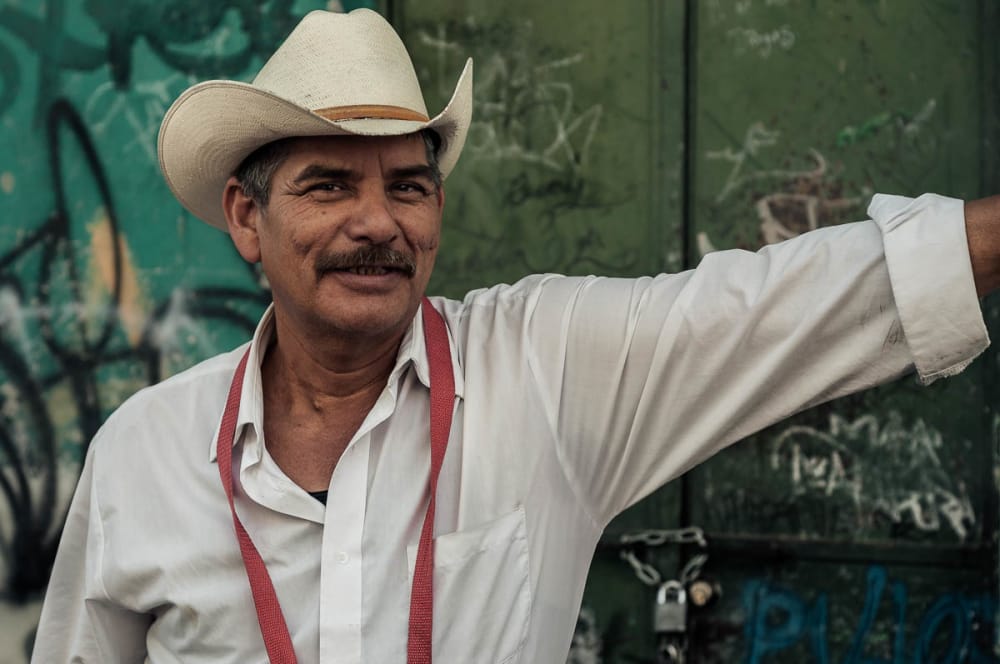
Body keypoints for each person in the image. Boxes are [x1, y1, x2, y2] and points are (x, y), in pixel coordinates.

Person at [31, 8, 1000, 664]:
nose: (378, 222)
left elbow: (785, 303)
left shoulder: (540, 369)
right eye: (330, 184)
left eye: (407, 185)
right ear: (246, 216)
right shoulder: (142, 457)